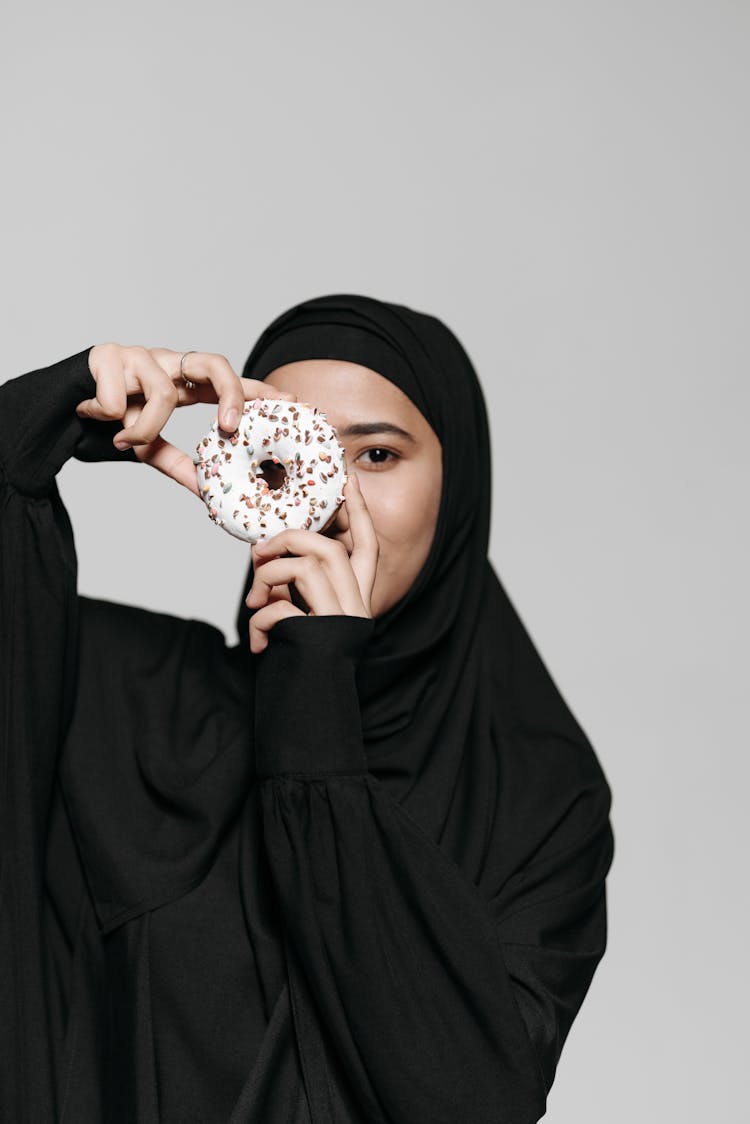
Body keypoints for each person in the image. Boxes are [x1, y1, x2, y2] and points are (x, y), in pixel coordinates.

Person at [0, 292, 615, 1123]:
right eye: (288, 447)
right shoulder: (132, 701)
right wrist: (42, 424)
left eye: (376, 457)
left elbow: (469, 1097)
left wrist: (316, 711)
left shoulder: (538, 797)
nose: (327, 499)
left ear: (457, 486)